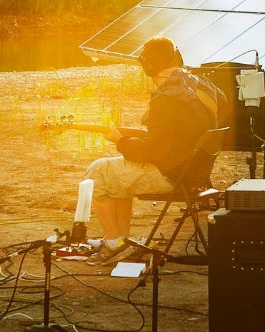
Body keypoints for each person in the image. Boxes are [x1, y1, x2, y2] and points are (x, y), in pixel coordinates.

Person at [83, 36, 227, 265]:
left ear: (148, 66)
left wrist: (121, 141)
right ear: (177, 57)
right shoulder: (203, 84)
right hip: (197, 172)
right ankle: (122, 241)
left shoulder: (165, 98)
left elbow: (153, 150)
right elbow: (216, 109)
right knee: (114, 171)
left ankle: (113, 243)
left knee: (98, 172)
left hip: (173, 175)